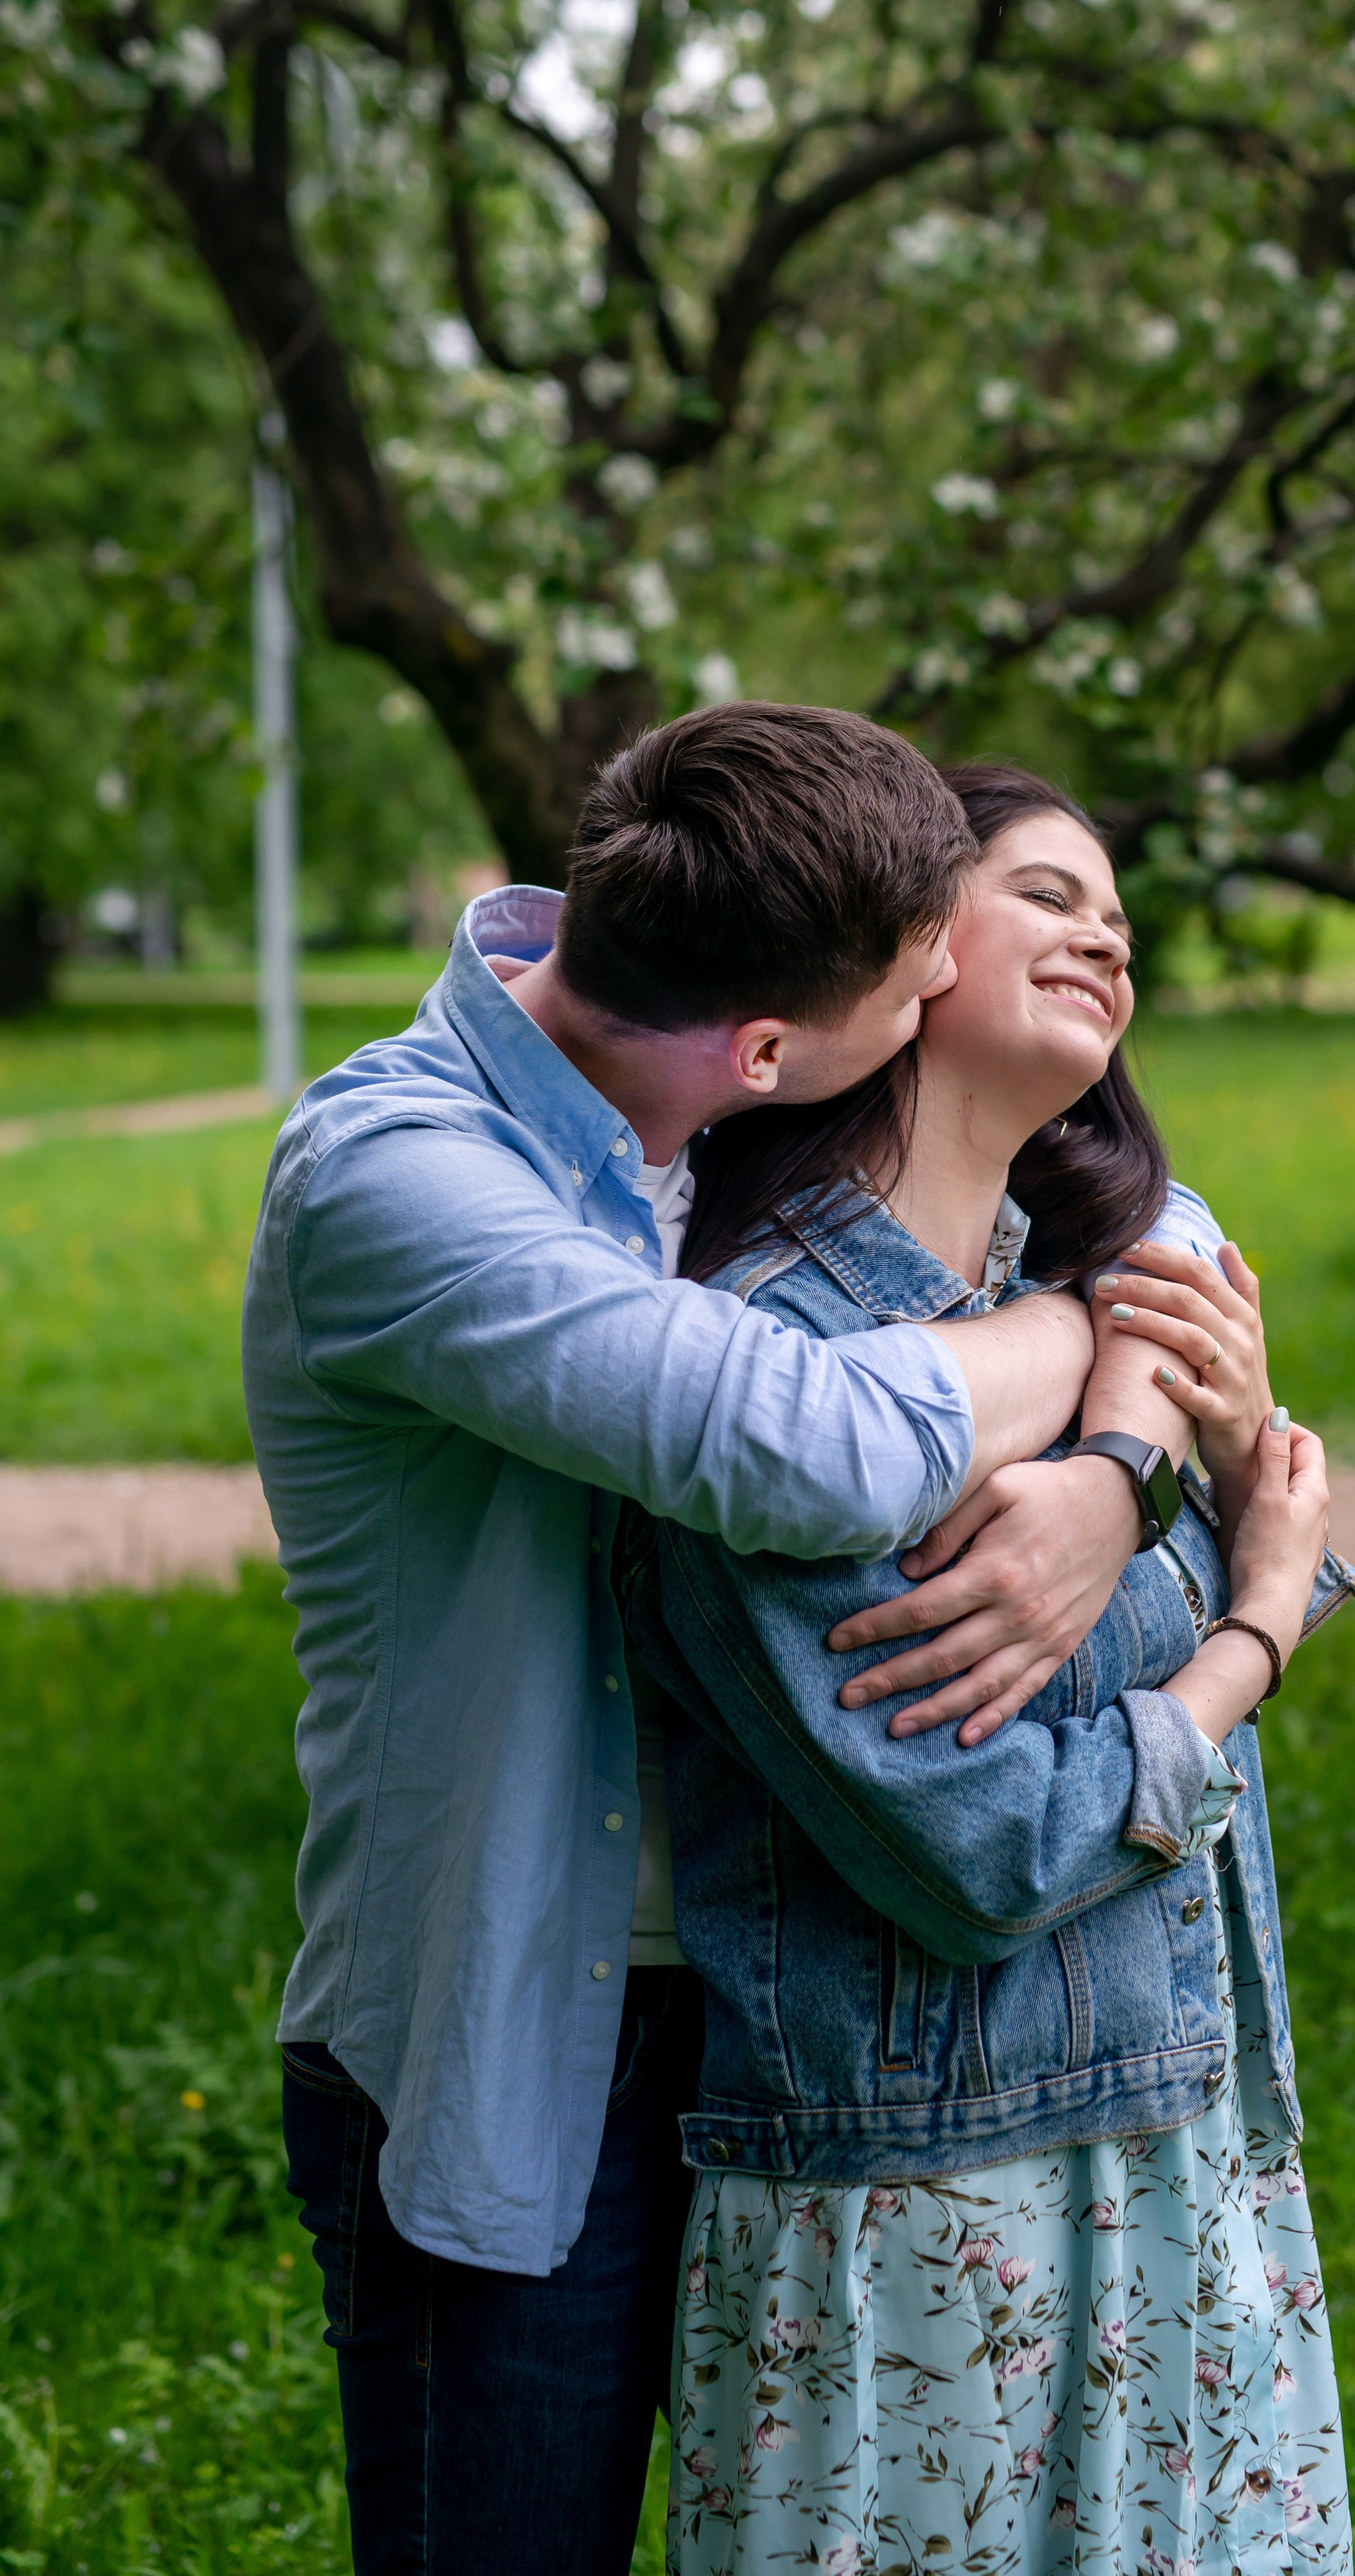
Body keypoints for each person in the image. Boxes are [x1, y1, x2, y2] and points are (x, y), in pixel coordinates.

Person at [248, 708, 1205, 2576]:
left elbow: (1136, 1190)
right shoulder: (396, 1177)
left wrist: (1121, 1463)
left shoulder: (699, 1044)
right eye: (923, 969)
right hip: (525, 2036)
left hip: (808, 2024)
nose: (944, 992)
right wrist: (1109, 1357)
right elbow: (804, 1444)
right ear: (772, 1049)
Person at [630, 763, 1355, 2576]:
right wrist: (1256, 1620)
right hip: (921, 2204)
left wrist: (1136, 1485)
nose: (1103, 929)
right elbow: (979, 1851)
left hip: (1177, 2124)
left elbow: (1194, 1329)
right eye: (1047, 891)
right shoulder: (770, 1375)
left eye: (1116, 910)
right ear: (904, 942)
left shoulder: (1090, 1288)